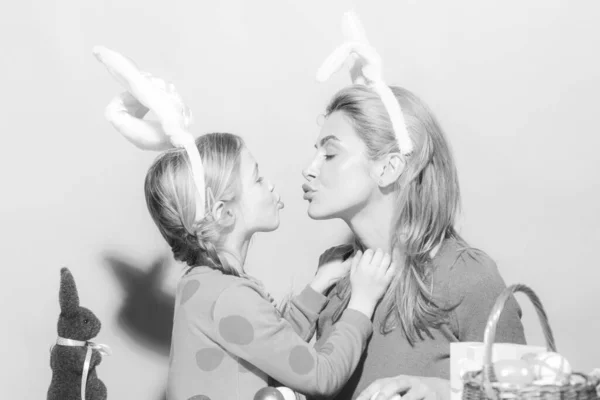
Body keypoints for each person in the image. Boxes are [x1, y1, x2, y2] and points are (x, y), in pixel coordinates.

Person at [102, 76, 397, 398]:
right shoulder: (230, 296)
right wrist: (363, 302)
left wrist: (317, 287)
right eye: (257, 179)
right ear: (224, 212)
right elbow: (320, 376)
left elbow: (271, 347)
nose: (270, 185)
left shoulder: (201, 285)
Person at [301, 85, 526, 400]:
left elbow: (523, 394)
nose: (309, 170)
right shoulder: (333, 274)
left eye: (329, 154)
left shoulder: (468, 277)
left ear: (389, 168)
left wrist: (446, 392)